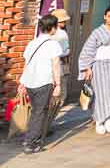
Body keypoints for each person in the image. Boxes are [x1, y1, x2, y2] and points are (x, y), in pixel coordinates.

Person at [78, 7, 110, 135]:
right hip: (99, 65)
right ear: (104, 17)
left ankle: (108, 118)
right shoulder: (97, 32)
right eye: (109, 16)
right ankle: (99, 120)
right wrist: (88, 67)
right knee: (100, 93)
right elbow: (88, 49)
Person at [19, 14, 63, 154]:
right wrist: (58, 85)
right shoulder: (53, 44)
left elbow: (27, 63)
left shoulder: (32, 43)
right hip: (44, 82)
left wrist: (22, 82)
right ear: (51, 28)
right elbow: (56, 65)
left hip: (30, 82)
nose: (56, 28)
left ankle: (31, 138)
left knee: (36, 111)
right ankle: (30, 142)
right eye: (56, 26)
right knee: (40, 112)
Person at [45, 9, 71, 134]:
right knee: (60, 97)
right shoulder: (62, 34)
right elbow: (64, 52)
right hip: (59, 67)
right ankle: (47, 125)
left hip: (46, 69)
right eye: (63, 20)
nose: (65, 22)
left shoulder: (44, 34)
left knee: (49, 98)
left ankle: (43, 124)